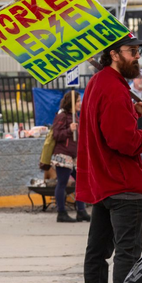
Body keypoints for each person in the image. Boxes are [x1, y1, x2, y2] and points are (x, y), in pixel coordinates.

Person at [77, 35, 142, 283]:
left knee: (97, 252)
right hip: (123, 185)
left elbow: (109, 125)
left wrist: (133, 114)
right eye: (132, 52)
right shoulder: (113, 87)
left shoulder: (100, 83)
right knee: (127, 253)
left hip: (103, 183)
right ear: (114, 54)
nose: (137, 57)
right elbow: (123, 140)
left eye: (138, 52)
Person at [51, 90, 89, 223]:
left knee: (81, 182)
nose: (80, 103)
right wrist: (69, 130)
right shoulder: (62, 116)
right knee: (62, 183)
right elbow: (56, 135)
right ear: (71, 102)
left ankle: (81, 211)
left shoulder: (75, 116)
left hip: (74, 155)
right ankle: (61, 213)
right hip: (63, 154)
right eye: (78, 101)